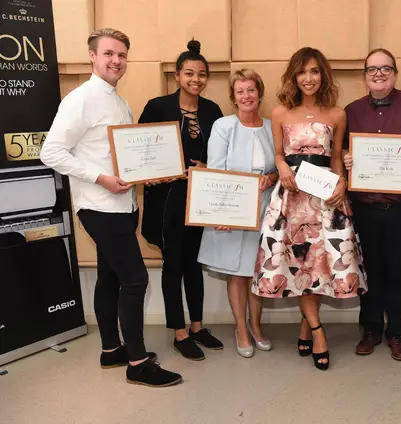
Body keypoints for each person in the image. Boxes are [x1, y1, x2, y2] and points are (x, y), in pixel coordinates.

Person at [40, 28, 181, 387]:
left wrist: (146, 175)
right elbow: (51, 152)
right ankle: (137, 361)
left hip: (121, 205)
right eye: (108, 54)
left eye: (121, 55)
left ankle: (110, 350)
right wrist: (101, 178)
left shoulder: (118, 101)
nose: (116, 61)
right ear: (92, 56)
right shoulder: (81, 99)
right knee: (135, 279)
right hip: (99, 207)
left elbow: (121, 155)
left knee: (110, 277)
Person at [252, 47, 367, 371]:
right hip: (291, 198)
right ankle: (317, 330)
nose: (308, 78)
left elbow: (335, 159)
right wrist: (283, 168)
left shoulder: (337, 114)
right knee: (299, 261)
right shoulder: (279, 113)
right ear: (293, 76)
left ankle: (307, 324)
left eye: (314, 71)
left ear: (323, 75)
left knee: (318, 265)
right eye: (302, 72)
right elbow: (277, 153)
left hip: (325, 199)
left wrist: (342, 182)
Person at [342, 48, 401, 361]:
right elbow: (339, 154)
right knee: (369, 270)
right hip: (365, 209)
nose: (378, 74)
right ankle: (370, 329)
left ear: (395, 73)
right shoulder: (351, 110)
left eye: (385, 69)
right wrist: (346, 159)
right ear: (365, 76)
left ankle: (397, 331)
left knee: (399, 270)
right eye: (372, 69)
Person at [138, 40, 224, 361]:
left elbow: (220, 156)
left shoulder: (213, 110)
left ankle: (198, 325)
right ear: (177, 76)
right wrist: (153, 171)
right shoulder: (157, 106)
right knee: (173, 264)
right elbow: (140, 152)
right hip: (167, 200)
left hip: (199, 198)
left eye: (201, 74)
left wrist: (210, 168)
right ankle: (178, 330)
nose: (195, 80)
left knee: (194, 264)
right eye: (189, 73)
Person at [198, 69, 277, 358]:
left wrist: (272, 176)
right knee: (237, 271)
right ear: (233, 97)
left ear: (260, 93)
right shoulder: (223, 126)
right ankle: (241, 328)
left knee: (259, 269)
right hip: (233, 206)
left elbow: (281, 163)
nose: (246, 96)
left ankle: (257, 326)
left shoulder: (271, 126)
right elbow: (216, 169)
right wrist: (219, 213)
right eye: (240, 91)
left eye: (251, 90)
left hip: (267, 206)